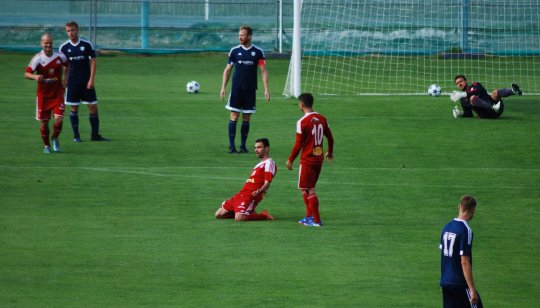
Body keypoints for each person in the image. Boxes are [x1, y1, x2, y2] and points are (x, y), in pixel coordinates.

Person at [286, 93, 334, 227]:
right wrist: (329, 152)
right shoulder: (322, 119)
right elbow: (330, 138)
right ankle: (309, 216)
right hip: (318, 159)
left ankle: (317, 220)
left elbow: (298, 144)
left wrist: (290, 160)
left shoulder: (302, 122)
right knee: (305, 188)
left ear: (301, 105)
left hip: (307, 160)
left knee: (310, 189)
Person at [220, 25, 270, 154]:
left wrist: (266, 89)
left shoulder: (258, 52)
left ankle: (243, 146)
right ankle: (232, 146)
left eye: (242, 35)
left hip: (250, 90)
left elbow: (263, 71)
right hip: (237, 90)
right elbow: (228, 70)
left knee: (246, 118)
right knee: (234, 115)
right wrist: (223, 87)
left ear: (249, 36)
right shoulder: (234, 51)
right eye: (239, 35)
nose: (240, 37)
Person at [60, 20, 109, 142]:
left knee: (93, 107)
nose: (71, 33)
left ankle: (95, 135)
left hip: (86, 83)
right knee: (74, 109)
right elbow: (64, 66)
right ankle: (76, 136)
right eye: (68, 31)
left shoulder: (87, 44)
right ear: (66, 32)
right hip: (72, 83)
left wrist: (91, 80)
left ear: (77, 30)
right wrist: (64, 79)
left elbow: (93, 62)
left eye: (73, 30)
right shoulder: (64, 47)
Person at [25, 33, 68, 153]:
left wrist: (66, 78)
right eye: (45, 43)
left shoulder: (60, 56)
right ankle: (46, 146)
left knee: (59, 119)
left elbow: (67, 65)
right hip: (43, 96)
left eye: (50, 42)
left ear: (52, 43)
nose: (48, 45)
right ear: (41, 43)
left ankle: (55, 138)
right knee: (44, 125)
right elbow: (26, 73)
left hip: (57, 93)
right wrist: (35, 76)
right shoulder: (37, 58)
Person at [215, 138, 276, 221]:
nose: (256, 150)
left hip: (250, 196)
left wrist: (259, 192)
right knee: (218, 215)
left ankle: (264, 215)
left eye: (259, 147)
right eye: (255, 148)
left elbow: (267, 183)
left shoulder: (269, 163)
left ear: (266, 148)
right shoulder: (258, 165)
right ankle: (245, 211)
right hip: (241, 194)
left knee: (239, 218)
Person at [439, 195, 483, 308]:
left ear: (459, 207)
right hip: (460, 283)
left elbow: (444, 255)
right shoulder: (465, 230)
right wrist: (472, 289)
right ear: (473, 210)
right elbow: (464, 261)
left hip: (445, 282)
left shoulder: (446, 227)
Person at [451, 75, 522, 119]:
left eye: (461, 81)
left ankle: (513, 91)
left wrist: (463, 94)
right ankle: (492, 107)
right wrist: (460, 113)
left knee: (494, 93)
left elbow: (477, 91)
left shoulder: (476, 84)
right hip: (485, 114)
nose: (459, 84)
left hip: (498, 108)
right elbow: (469, 114)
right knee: (472, 98)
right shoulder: (462, 99)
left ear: (466, 81)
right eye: (457, 83)